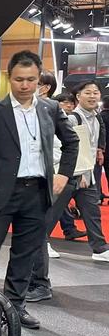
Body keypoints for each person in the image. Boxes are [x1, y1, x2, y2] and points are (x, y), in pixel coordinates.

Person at [0, 51, 78, 329]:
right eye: (19, 79)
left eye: (30, 80)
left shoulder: (50, 109)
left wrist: (64, 174)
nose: (25, 85)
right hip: (0, 192)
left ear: (39, 80)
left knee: (24, 255)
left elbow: (72, 142)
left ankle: (14, 308)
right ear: (10, 78)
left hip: (37, 193)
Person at [27, 81, 109, 303]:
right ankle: (42, 247)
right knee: (50, 215)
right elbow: (65, 147)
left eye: (96, 92)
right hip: (69, 175)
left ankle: (99, 247)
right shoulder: (71, 118)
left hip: (83, 174)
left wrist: (90, 165)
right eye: (88, 92)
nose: (93, 96)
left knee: (91, 211)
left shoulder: (96, 118)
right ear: (78, 97)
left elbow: (88, 146)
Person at [53, 93, 86, 244]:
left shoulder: (72, 120)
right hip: (54, 168)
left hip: (67, 169)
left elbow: (75, 146)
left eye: (71, 103)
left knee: (62, 202)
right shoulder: (50, 119)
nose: (69, 105)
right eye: (65, 102)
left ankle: (69, 229)